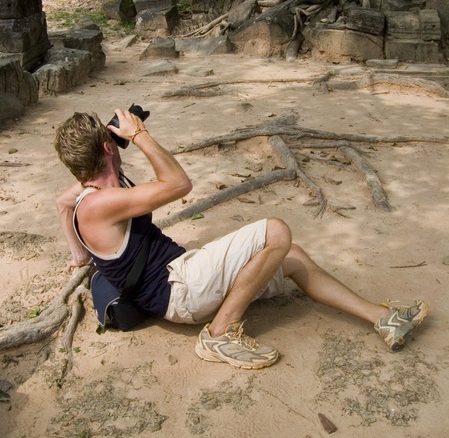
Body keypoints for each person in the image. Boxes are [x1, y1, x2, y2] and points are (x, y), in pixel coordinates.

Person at [54, 108, 429, 370]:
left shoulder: (86, 196)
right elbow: (179, 184)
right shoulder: (100, 205)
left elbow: (62, 201)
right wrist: (139, 135)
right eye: (111, 141)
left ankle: (382, 318)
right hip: (179, 288)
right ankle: (218, 334)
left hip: (181, 280)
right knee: (276, 231)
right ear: (107, 147)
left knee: (291, 256)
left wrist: (80, 255)